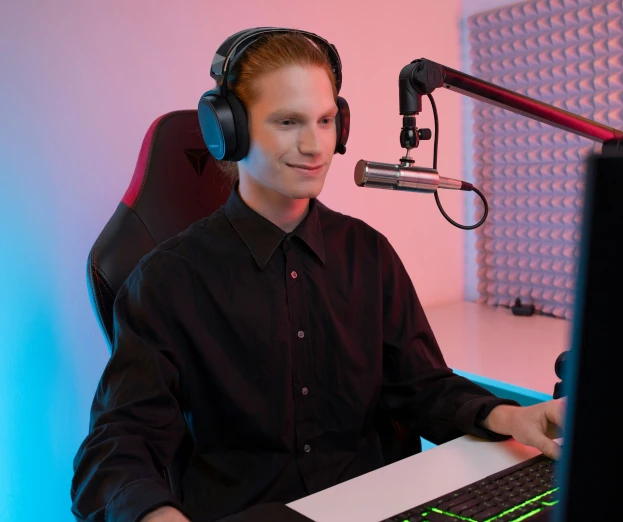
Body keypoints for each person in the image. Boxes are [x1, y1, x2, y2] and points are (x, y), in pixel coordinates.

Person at [71, 29, 566, 522]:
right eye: (288, 121)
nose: (315, 145)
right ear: (229, 130)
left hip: (386, 507)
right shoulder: (166, 280)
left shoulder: (368, 253)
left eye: (326, 120)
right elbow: (118, 447)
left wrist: (508, 416)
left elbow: (422, 385)